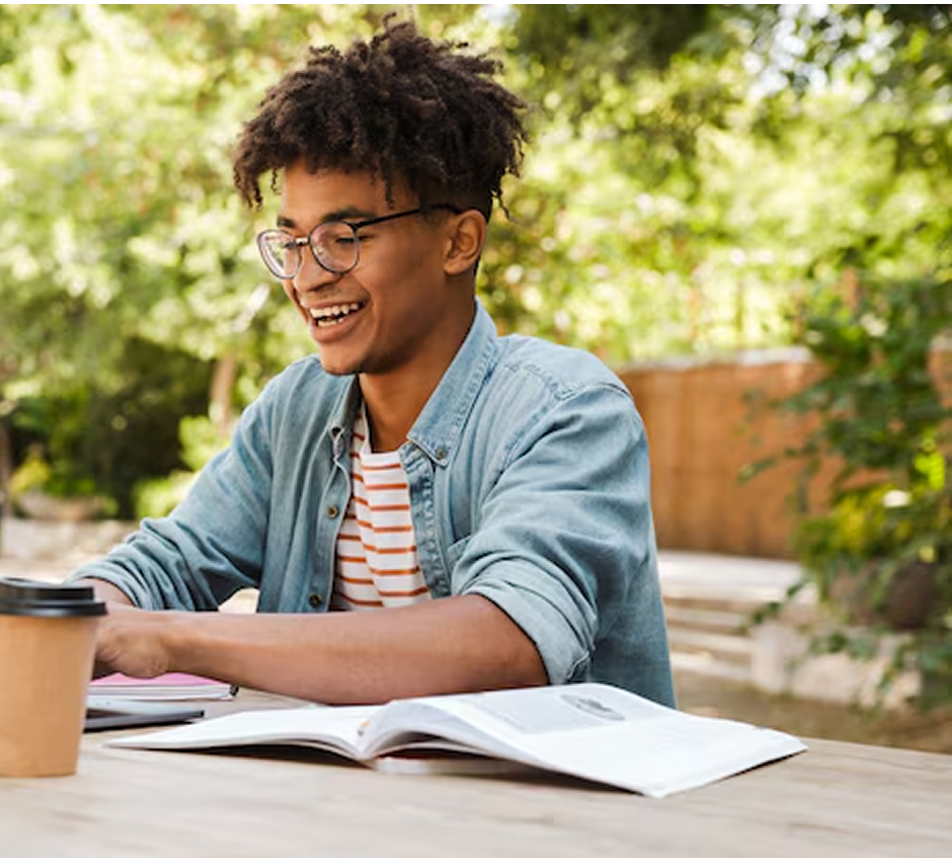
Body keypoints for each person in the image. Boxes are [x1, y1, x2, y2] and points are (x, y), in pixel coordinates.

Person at [64, 15, 675, 707]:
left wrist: (171, 640)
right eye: (292, 241)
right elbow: (165, 566)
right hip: (336, 808)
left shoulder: (566, 408)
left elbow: (508, 641)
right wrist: (48, 617)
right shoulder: (295, 412)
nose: (308, 276)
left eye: (344, 237)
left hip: (540, 811)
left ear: (458, 243)